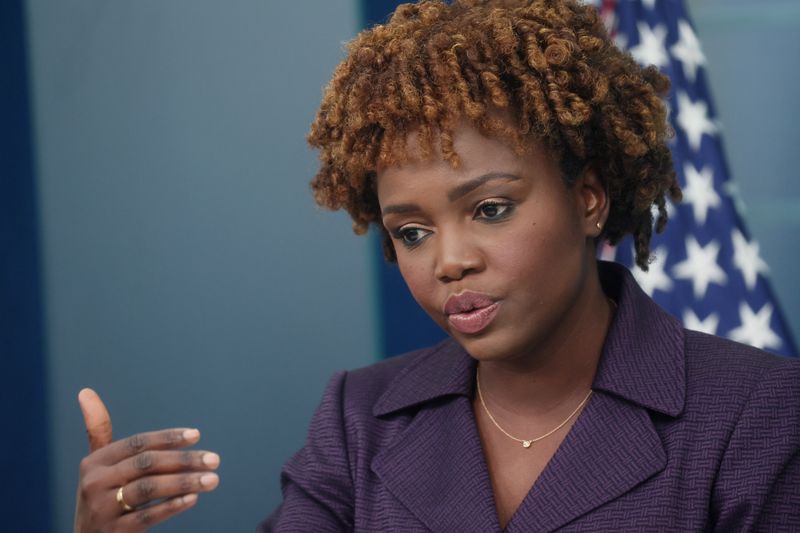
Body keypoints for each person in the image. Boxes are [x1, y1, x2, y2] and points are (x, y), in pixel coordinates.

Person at [74, 0, 800, 531]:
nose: (449, 260)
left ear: (588, 198)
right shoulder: (360, 418)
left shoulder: (756, 412)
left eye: (490, 208)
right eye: (412, 231)